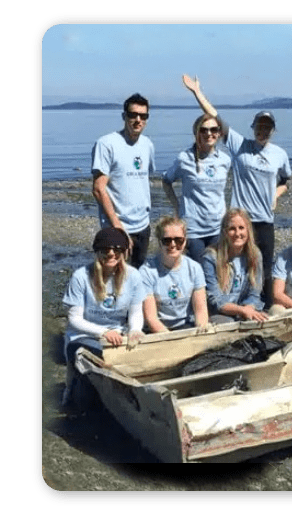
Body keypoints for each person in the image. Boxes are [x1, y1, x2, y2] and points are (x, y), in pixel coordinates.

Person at [182, 75, 292, 306]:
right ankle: (226, 306)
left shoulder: (279, 154)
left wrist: (275, 194)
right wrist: (196, 92)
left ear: (273, 130)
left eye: (267, 128)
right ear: (253, 128)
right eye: (259, 126)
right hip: (240, 220)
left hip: (264, 221)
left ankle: (267, 309)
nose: (263, 131)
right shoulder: (240, 145)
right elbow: (216, 118)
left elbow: (286, 181)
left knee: (263, 268)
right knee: (230, 266)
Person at [61, 228, 146, 409]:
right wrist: (104, 332)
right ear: (97, 251)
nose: (111, 254)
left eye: (116, 250)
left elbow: (136, 312)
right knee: (83, 401)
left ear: (124, 252)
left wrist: (135, 330)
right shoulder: (81, 277)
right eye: (105, 250)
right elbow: (74, 319)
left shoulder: (134, 276)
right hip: (83, 337)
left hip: (119, 334)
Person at [91, 93, 155, 268]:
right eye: (133, 115)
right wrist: (117, 225)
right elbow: (98, 189)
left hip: (143, 225)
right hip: (116, 226)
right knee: (115, 277)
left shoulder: (147, 145)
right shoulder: (106, 144)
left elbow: (142, 181)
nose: (138, 120)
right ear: (124, 116)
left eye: (143, 116)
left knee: (138, 275)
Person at [162, 114, 232, 263]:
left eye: (213, 129)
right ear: (196, 133)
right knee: (198, 276)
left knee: (217, 273)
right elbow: (166, 181)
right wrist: (176, 207)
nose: (208, 133)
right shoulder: (184, 158)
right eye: (203, 130)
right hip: (193, 229)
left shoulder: (225, 160)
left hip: (218, 228)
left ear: (219, 133)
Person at [140, 216, 209, 333]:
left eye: (178, 240)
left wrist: (201, 329)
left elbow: (201, 312)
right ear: (159, 242)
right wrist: (171, 340)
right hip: (156, 329)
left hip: (186, 325)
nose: (172, 245)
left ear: (185, 240)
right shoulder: (146, 271)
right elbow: (151, 318)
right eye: (167, 240)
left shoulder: (195, 268)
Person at [201, 208, 268, 324]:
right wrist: (242, 311)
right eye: (232, 229)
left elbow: (255, 293)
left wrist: (248, 310)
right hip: (219, 314)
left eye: (241, 228)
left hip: (246, 310)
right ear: (224, 232)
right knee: (229, 323)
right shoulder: (210, 257)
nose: (237, 234)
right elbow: (215, 301)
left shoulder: (255, 254)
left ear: (248, 230)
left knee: (269, 318)